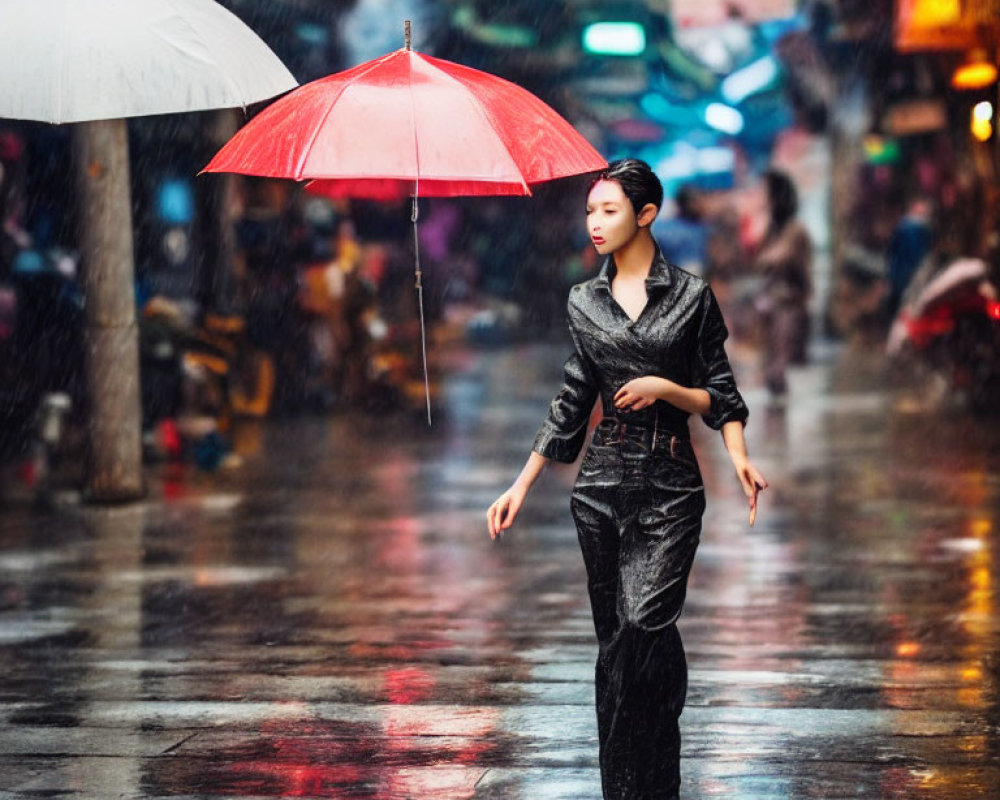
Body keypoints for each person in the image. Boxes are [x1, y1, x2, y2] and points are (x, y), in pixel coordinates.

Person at [487, 159, 767, 800]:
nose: (594, 222)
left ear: (646, 214)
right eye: (590, 211)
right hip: (599, 491)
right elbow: (572, 397)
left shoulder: (693, 297)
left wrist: (732, 447)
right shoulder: (583, 302)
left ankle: (646, 770)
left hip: (671, 487)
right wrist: (522, 483)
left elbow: (718, 391)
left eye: (608, 210)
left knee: (643, 626)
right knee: (619, 644)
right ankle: (634, 785)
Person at [753, 169, 812, 403]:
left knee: (779, 364)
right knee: (773, 364)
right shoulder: (774, 229)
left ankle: (778, 426)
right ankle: (776, 425)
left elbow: (775, 258)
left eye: (770, 196)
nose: (766, 203)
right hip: (773, 301)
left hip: (788, 303)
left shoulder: (794, 231)